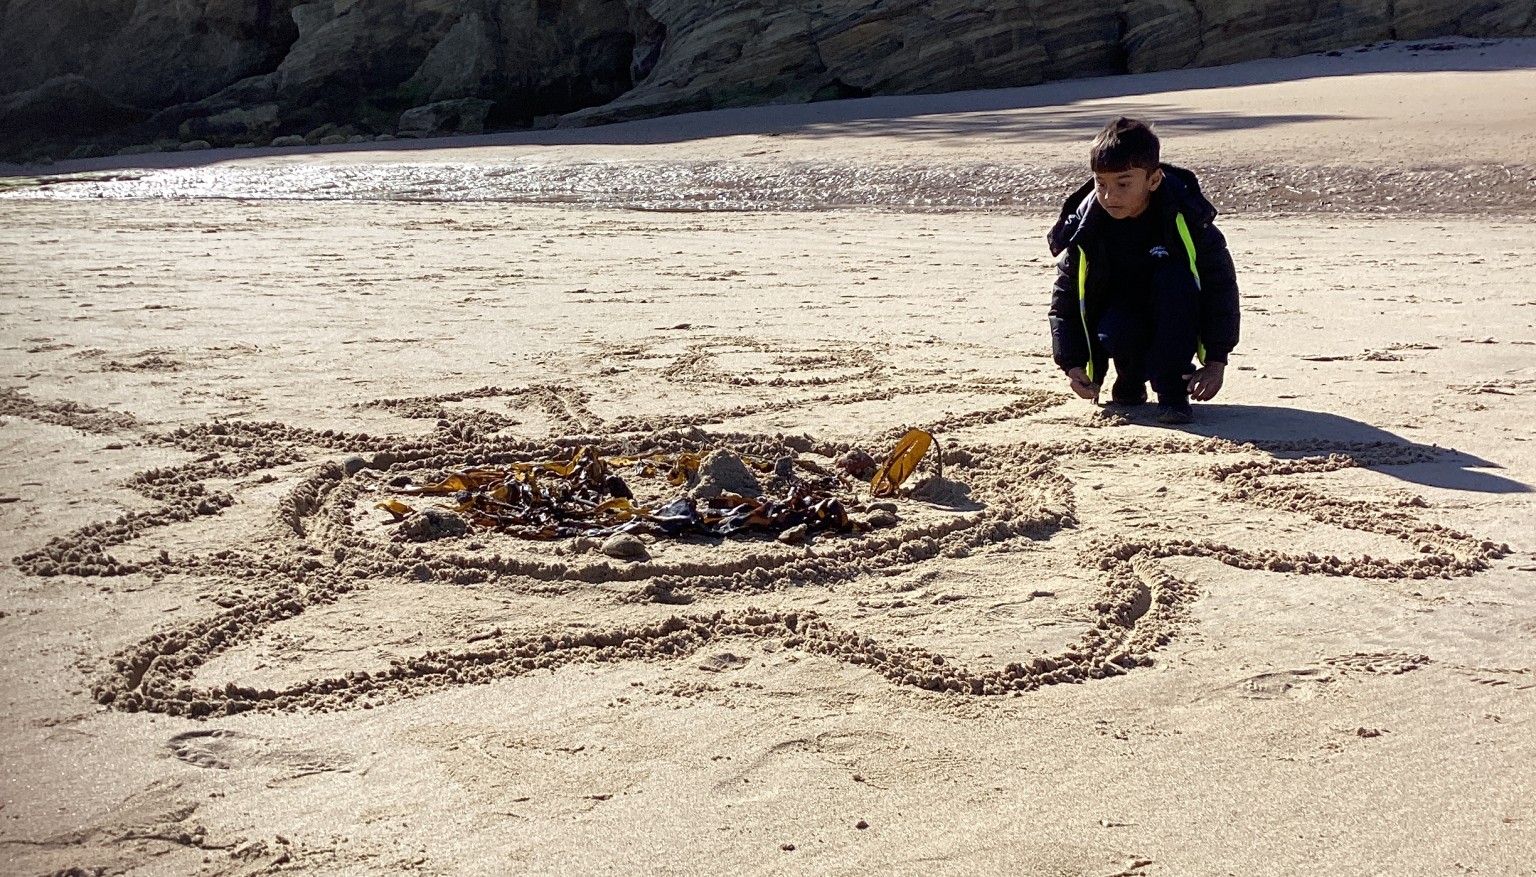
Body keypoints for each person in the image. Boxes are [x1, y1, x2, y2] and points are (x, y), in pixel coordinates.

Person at [1046, 117, 1240, 424]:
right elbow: (1066, 298)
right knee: (1117, 329)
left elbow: (1221, 288)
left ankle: (1172, 390)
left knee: (1172, 279)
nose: (1110, 196)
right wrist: (1071, 363)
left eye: (1123, 184)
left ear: (1153, 179)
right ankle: (1131, 380)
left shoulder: (1188, 219)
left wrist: (1217, 360)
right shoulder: (1087, 229)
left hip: (1179, 314)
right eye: (1101, 184)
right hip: (1120, 318)